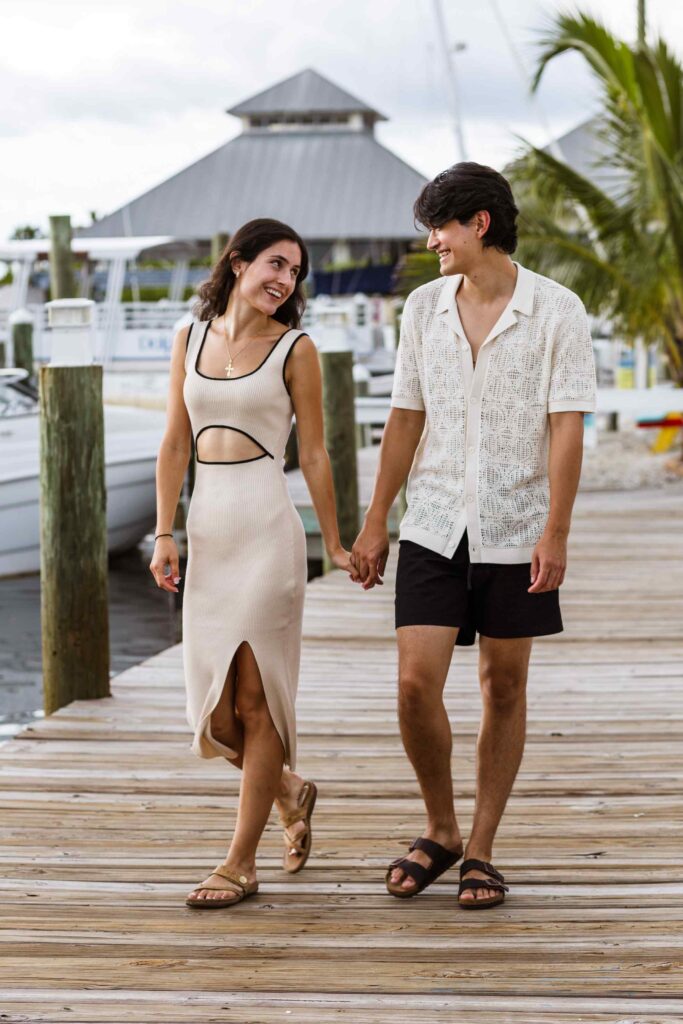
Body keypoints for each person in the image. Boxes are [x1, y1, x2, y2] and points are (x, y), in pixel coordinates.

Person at [350, 163, 596, 909]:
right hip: (431, 521)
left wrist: (554, 532)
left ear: (479, 223)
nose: (432, 242)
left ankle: (482, 847)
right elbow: (404, 418)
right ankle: (441, 827)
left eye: (441, 227)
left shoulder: (557, 310)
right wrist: (375, 521)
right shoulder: (422, 310)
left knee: (502, 685)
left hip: (516, 527)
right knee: (413, 683)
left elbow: (565, 428)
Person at [150, 218, 352, 909]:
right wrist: (163, 533)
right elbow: (175, 444)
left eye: (294, 272)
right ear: (236, 264)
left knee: (253, 700)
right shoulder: (189, 338)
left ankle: (240, 862)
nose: (283, 280)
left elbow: (316, 454)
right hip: (208, 531)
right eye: (275, 263)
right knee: (215, 715)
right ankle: (290, 791)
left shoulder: (295, 349)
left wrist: (337, 541)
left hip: (269, 530)